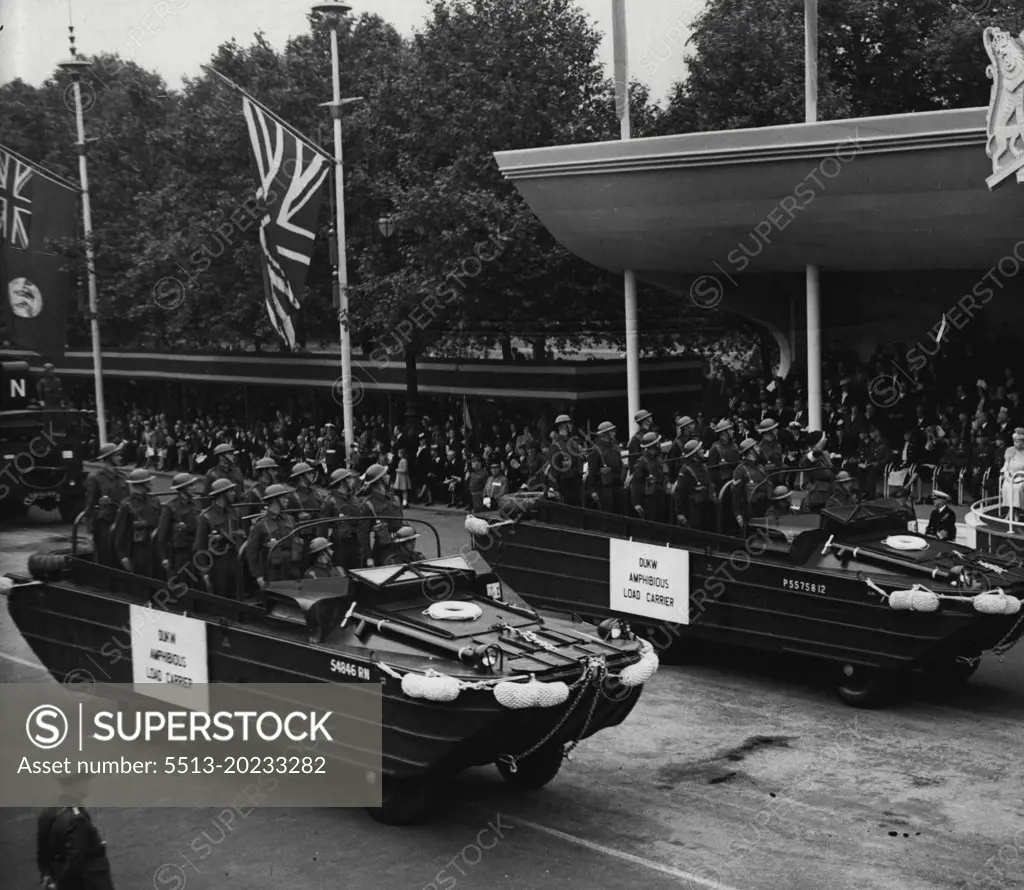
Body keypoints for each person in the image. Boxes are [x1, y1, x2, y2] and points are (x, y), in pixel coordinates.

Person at [37, 776, 115, 890]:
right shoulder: (76, 819)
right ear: (73, 785)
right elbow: (75, 862)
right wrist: (60, 885)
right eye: (84, 781)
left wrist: (47, 877)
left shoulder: (48, 814)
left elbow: (43, 855)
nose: (88, 784)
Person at [195, 477, 244, 597]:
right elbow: (200, 546)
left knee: (236, 597)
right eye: (230, 491)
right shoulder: (206, 516)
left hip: (234, 560)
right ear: (222, 494)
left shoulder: (233, 512)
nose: (233, 493)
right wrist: (205, 572)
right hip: (216, 564)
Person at [245, 482, 299, 590]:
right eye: (284, 498)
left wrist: (296, 567)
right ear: (275, 500)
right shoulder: (261, 524)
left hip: (290, 569)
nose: (287, 500)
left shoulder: (290, 519)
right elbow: (251, 553)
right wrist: (258, 576)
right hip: (272, 572)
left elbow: (296, 543)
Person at [82, 443, 128, 567]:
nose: (120, 458)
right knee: (107, 556)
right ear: (108, 458)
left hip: (122, 522)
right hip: (105, 524)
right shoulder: (96, 479)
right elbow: (89, 505)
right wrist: (90, 530)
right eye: (117, 455)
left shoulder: (122, 477)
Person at [111, 469, 161, 578]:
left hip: (154, 549)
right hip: (138, 550)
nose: (151, 484)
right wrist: (123, 557)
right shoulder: (127, 505)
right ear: (141, 484)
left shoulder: (154, 500)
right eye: (148, 482)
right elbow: (120, 533)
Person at [155, 473, 201, 582]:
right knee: (180, 581)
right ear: (182, 489)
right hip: (179, 553)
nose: (193, 488)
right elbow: (162, 534)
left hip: (195, 550)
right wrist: (164, 557)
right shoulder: (170, 507)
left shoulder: (197, 505)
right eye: (190, 486)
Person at [357, 464, 404, 566]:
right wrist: (369, 557)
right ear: (380, 480)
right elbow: (363, 535)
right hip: (383, 552)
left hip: (401, 547)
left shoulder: (394, 499)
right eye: (385, 475)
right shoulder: (369, 505)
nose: (388, 476)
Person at [319, 467, 363, 571]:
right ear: (342, 482)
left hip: (356, 542)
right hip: (340, 545)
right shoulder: (330, 502)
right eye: (349, 479)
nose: (352, 481)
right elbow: (322, 528)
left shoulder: (354, 499)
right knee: (342, 573)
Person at [586, 421, 625, 513]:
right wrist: (593, 490)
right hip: (605, 488)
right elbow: (592, 472)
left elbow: (621, 465)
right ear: (605, 434)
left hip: (618, 486)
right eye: (611, 431)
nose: (614, 433)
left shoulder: (615, 448)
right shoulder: (596, 450)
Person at [546, 414, 583, 506]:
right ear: (563, 425)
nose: (571, 426)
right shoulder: (555, 446)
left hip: (577, 484)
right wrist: (555, 489)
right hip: (564, 486)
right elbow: (554, 471)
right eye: (569, 424)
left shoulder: (573, 443)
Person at [629, 431, 667, 522]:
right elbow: (635, 482)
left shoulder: (656, 460)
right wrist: (636, 503)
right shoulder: (642, 462)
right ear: (653, 446)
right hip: (649, 500)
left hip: (659, 497)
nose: (659, 445)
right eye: (657, 443)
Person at [799, 430, 833, 514]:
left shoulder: (825, 455)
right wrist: (817, 448)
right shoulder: (808, 457)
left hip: (829, 494)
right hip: (815, 497)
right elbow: (810, 458)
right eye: (823, 441)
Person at [706, 420, 739, 490]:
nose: (732, 431)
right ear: (724, 433)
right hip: (722, 483)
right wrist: (719, 484)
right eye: (730, 430)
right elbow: (712, 470)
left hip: (736, 479)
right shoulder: (715, 448)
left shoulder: (734, 446)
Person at [999, 427, 1024, 519]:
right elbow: (1006, 464)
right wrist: (1005, 472)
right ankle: (1011, 510)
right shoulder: (1010, 450)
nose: (1015, 444)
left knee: (1017, 488)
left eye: (1017, 442)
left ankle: (1016, 511)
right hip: (1010, 475)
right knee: (1006, 486)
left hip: (1022, 476)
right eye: (1014, 442)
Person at [626, 409, 656, 474]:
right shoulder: (636, 439)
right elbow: (633, 460)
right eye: (649, 417)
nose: (651, 418)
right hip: (643, 473)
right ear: (645, 420)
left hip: (654, 468)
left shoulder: (652, 433)